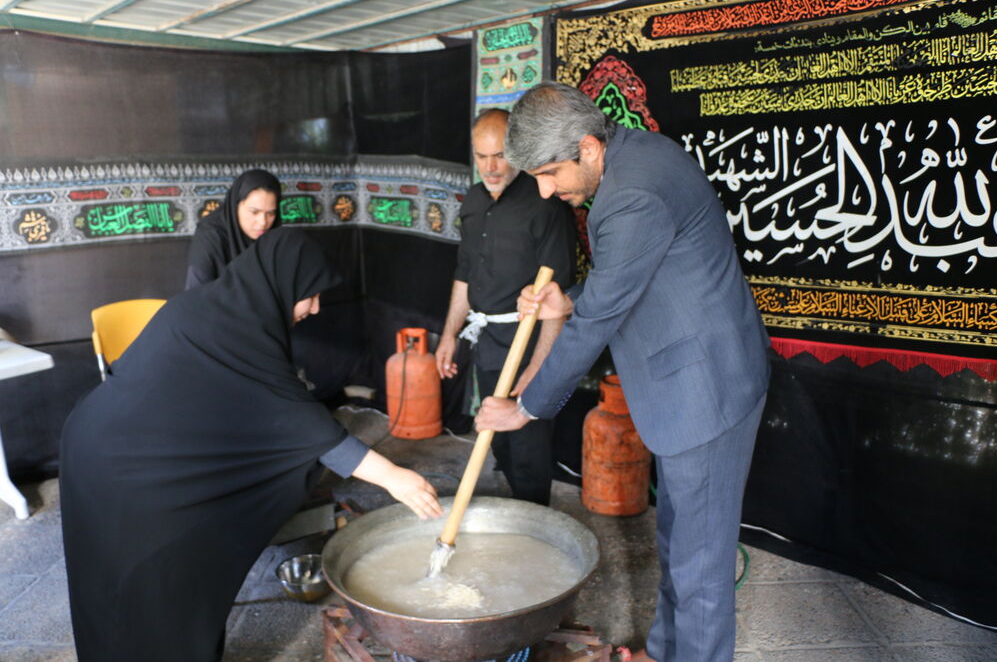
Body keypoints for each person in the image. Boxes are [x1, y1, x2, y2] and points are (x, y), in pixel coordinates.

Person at [475, 82, 771, 662]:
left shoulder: (630, 197)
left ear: (587, 147)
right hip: (687, 381)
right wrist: (568, 300)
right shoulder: (636, 152)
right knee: (677, 546)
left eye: (549, 173)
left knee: (701, 573)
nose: (543, 189)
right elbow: (627, 278)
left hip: (706, 391)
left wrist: (528, 405)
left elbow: (600, 320)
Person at [60, 229, 442, 662]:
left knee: (144, 588)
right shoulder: (233, 331)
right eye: (310, 295)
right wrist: (394, 478)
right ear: (281, 283)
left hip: (104, 449)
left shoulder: (214, 309)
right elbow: (302, 424)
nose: (315, 308)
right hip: (124, 472)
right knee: (147, 585)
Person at [435, 108, 575, 506]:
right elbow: (465, 273)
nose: (490, 167)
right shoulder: (474, 200)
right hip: (486, 340)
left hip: (528, 342)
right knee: (499, 445)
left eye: (499, 155)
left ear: (516, 150)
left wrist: (536, 368)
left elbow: (559, 300)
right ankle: (512, 517)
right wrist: (449, 337)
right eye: (481, 156)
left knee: (529, 449)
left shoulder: (545, 204)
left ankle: (533, 525)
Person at [185, 168, 282, 289]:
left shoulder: (275, 238)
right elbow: (196, 294)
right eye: (254, 212)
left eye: (270, 213)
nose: (263, 222)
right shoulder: (210, 236)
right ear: (235, 206)